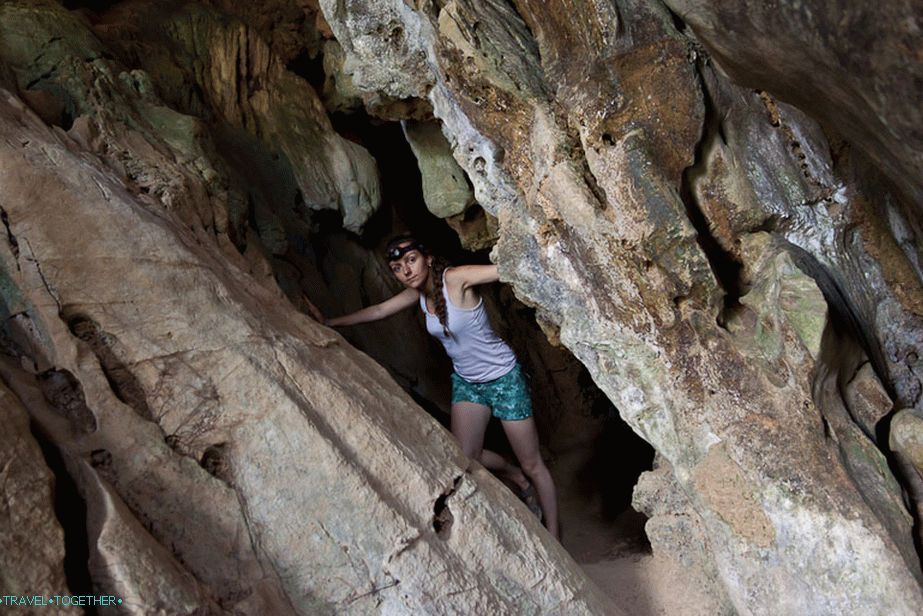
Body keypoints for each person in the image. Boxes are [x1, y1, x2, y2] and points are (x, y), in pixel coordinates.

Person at [305, 235, 559, 539]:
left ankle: (554, 533)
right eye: (397, 268)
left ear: (427, 259)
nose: (406, 271)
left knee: (533, 463)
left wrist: (547, 249)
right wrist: (329, 323)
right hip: (468, 383)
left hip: (504, 378)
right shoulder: (418, 295)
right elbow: (379, 311)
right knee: (465, 457)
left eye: (411, 260)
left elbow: (505, 269)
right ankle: (515, 476)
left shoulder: (456, 279)